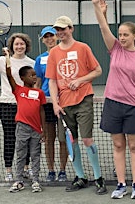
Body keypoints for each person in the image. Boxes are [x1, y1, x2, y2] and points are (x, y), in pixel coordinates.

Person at [91, 0, 135, 199]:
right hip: (113, 104)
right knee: (118, 145)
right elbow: (102, 27)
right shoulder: (114, 49)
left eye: (126, 34)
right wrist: (97, 6)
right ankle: (121, 184)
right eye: (120, 34)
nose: (122, 37)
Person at [46, 15, 107, 195]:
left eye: (63, 29)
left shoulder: (83, 48)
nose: (60, 33)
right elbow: (52, 81)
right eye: (57, 30)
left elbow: (98, 70)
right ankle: (81, 177)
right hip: (63, 105)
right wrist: (55, 104)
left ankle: (98, 178)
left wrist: (80, 80)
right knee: (71, 142)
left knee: (87, 140)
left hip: (83, 100)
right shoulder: (54, 53)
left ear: (71, 29)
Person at [0, 33, 34, 182]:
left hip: (26, 106)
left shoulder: (32, 63)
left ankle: (26, 168)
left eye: (22, 44)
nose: (19, 46)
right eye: (16, 44)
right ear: (12, 46)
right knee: (10, 138)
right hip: (7, 105)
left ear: (26, 46)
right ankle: (9, 170)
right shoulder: (3, 61)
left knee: (26, 139)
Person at [4, 49, 46, 193]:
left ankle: (35, 181)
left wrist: (43, 130)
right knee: (21, 154)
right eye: (32, 75)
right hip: (22, 127)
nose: (34, 78)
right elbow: (9, 75)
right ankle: (19, 180)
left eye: (35, 75)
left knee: (35, 155)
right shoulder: (18, 90)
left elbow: (41, 111)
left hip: (36, 129)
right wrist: (8, 59)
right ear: (23, 78)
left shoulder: (39, 93)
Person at [34, 26, 68, 182]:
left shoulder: (65, 54)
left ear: (57, 37)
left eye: (52, 36)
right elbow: (38, 82)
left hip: (64, 101)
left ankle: (62, 170)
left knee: (63, 138)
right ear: (43, 40)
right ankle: (51, 170)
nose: (49, 39)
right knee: (49, 139)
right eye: (46, 37)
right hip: (47, 102)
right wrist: (35, 100)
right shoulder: (40, 59)